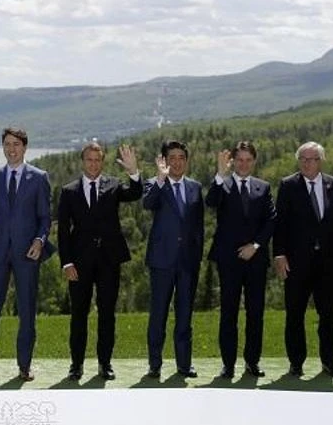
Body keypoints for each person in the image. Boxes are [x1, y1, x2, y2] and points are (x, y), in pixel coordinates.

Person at [0, 127, 55, 382]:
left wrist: (40, 241)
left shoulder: (39, 178)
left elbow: (45, 218)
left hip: (28, 254)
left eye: (16, 144)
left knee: (27, 310)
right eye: (7, 144)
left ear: (25, 147)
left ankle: (24, 366)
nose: (11, 149)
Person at [57, 142, 142, 381]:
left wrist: (133, 172)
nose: (93, 164)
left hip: (108, 261)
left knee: (107, 314)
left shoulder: (114, 185)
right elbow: (63, 231)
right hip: (79, 264)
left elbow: (136, 193)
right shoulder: (69, 191)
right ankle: (76, 365)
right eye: (89, 160)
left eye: (97, 160)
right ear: (82, 162)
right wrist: (67, 263)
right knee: (78, 315)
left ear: (102, 162)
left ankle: (105, 364)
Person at [273, 141, 333, 377]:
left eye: (313, 159)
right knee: (294, 314)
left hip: (328, 263)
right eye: (304, 159)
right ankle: (296, 363)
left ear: (321, 161)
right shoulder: (288, 186)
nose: (308, 163)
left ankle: (329, 362)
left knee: (328, 314)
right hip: (296, 263)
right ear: (299, 161)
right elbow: (281, 225)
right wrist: (279, 254)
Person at [206, 141, 275, 379]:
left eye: (248, 160)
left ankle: (252, 362)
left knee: (256, 313)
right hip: (229, 260)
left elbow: (271, 221)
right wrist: (219, 174)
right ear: (233, 161)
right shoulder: (222, 185)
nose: (244, 164)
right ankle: (228, 364)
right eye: (240, 160)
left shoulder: (263, 187)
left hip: (256, 260)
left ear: (254, 161)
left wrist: (255, 246)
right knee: (229, 313)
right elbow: (211, 202)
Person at [142, 140, 204, 379]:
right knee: (158, 314)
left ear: (186, 161)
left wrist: (196, 256)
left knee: (185, 315)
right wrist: (160, 178)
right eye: (172, 158)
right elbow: (148, 203)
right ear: (165, 161)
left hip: (188, 263)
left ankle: (184, 364)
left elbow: (198, 227)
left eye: (181, 157)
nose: (177, 162)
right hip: (161, 261)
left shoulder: (195, 187)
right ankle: (155, 365)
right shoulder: (155, 184)